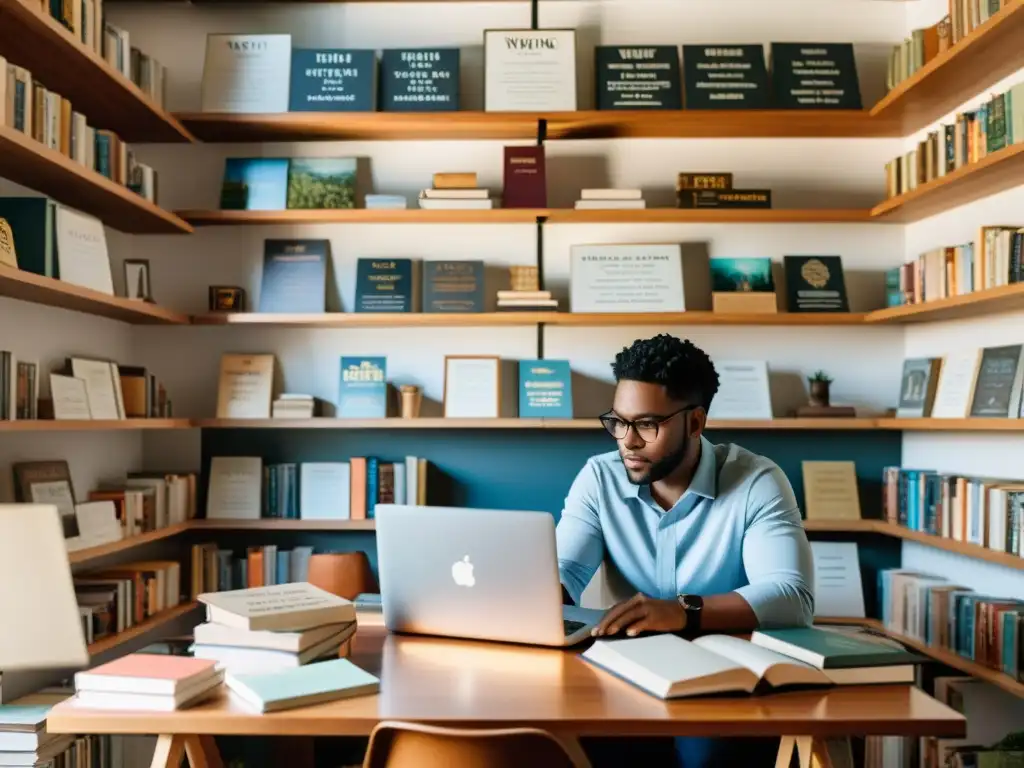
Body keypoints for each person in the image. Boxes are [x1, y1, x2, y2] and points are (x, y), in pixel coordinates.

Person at [556, 334, 814, 768]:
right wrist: (542, 596)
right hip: (629, 668)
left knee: (709, 755)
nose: (628, 442)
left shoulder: (757, 481)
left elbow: (792, 595)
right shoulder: (599, 478)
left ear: (695, 422)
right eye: (618, 422)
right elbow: (565, 569)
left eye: (646, 424)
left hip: (725, 680)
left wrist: (684, 610)